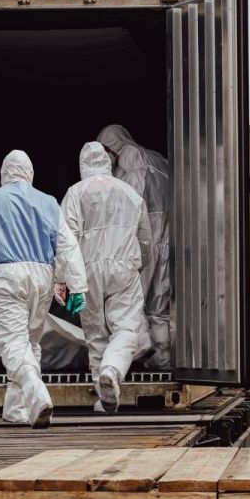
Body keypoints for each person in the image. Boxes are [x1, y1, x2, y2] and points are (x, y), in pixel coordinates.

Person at [0, 150, 87, 428]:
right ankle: (17, 410)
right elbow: (68, 247)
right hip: (41, 276)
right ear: (30, 173)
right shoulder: (48, 202)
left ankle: (37, 392)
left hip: (6, 276)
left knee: (13, 343)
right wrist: (76, 286)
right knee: (29, 343)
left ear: (4, 173)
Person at [61, 142, 152, 413]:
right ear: (107, 162)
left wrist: (62, 278)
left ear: (82, 165)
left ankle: (104, 396)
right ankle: (112, 370)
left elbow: (65, 240)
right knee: (126, 328)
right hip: (124, 268)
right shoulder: (129, 192)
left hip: (87, 270)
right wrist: (141, 264)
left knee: (95, 334)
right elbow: (145, 238)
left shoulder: (75, 192)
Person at [97, 125, 171, 369]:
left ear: (114, 146)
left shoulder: (130, 155)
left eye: (106, 150)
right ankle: (162, 358)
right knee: (159, 299)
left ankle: (140, 343)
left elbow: (130, 197)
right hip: (167, 232)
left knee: (134, 293)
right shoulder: (156, 158)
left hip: (147, 231)